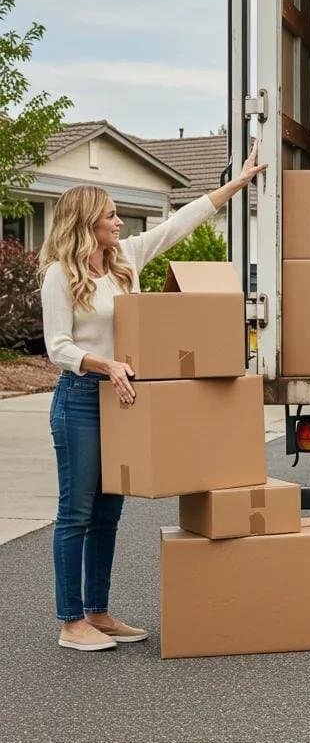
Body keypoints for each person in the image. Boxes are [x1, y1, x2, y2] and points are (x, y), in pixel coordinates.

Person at [38, 141, 267, 651]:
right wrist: (106, 363)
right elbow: (58, 348)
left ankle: (98, 611)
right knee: (77, 510)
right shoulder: (60, 274)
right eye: (111, 217)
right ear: (86, 223)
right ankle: (70, 621)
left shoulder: (125, 262)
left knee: (109, 512)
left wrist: (238, 183)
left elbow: (182, 221)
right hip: (81, 398)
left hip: (124, 401)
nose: (120, 224)